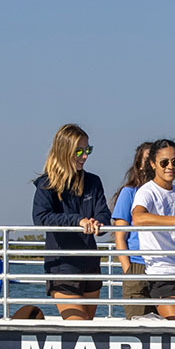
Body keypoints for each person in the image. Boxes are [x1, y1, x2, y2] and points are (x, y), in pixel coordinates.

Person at [31, 123, 111, 321]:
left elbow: (103, 214)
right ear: (64, 150)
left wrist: (98, 224)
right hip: (62, 266)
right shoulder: (46, 183)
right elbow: (41, 218)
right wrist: (78, 221)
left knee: (87, 329)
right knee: (79, 326)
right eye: (79, 151)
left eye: (88, 150)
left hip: (90, 265)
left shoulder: (93, 181)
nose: (85, 156)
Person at [129, 139, 175, 320]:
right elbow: (137, 218)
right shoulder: (147, 192)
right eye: (164, 162)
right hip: (163, 272)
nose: (170, 167)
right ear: (153, 164)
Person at [109, 141, 157, 319]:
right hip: (137, 265)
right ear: (139, 164)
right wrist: (128, 270)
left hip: (161, 265)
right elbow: (120, 236)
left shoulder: (164, 194)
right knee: (138, 323)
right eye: (147, 160)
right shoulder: (129, 193)